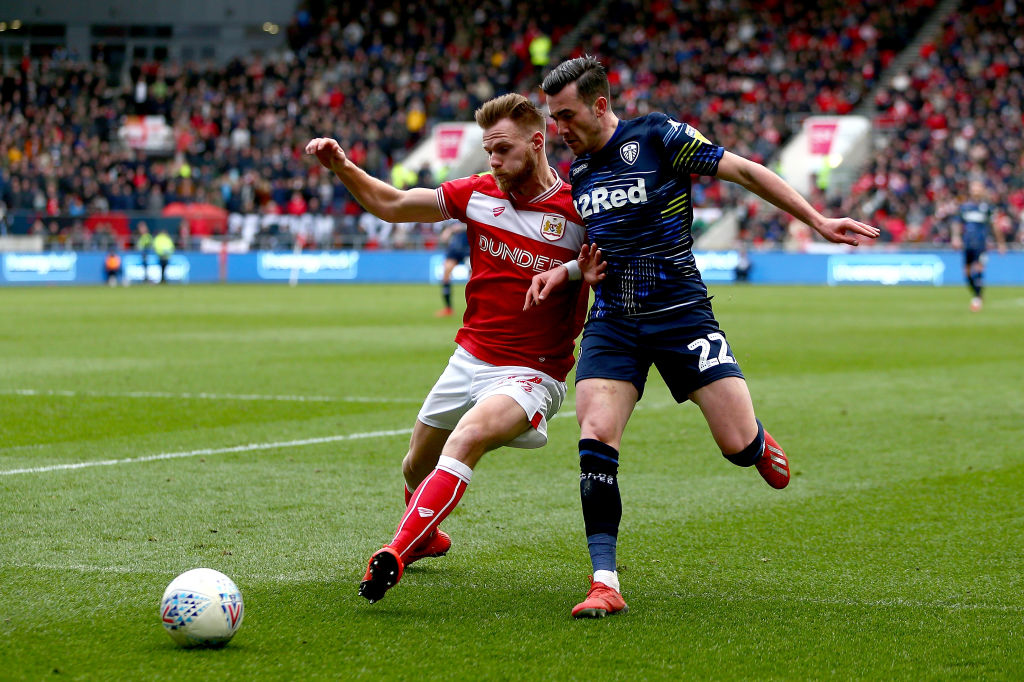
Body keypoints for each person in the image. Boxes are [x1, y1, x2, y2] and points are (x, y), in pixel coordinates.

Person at [528, 56, 880, 618]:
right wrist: (570, 272)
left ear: (599, 105)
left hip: (681, 313)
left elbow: (744, 171)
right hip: (614, 319)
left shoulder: (658, 136)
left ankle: (757, 442)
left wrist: (816, 220)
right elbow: (600, 252)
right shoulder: (580, 173)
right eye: (553, 118)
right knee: (595, 433)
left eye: (565, 116)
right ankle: (604, 581)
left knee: (737, 446)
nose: (557, 130)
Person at [305, 93, 604, 604]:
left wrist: (578, 270)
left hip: (533, 371)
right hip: (469, 358)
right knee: (413, 467)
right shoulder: (477, 193)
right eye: (488, 150)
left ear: (537, 143)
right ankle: (430, 537)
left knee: (464, 439)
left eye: (502, 149)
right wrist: (342, 165)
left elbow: (619, 259)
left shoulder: (579, 208)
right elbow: (393, 205)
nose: (492, 160)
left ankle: (394, 553)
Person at [951, 181, 1006, 312]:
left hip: (981, 245)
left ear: (982, 190)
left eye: (978, 188)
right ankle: (978, 294)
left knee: (979, 269)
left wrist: (1001, 243)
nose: (976, 190)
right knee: (967, 274)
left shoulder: (987, 208)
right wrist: (956, 237)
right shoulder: (964, 207)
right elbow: (956, 223)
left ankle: (977, 299)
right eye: (973, 188)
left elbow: (995, 226)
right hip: (967, 244)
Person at [435, 219, 470, 316]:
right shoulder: (450, 216)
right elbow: (444, 234)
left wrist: (461, 228)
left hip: (469, 246)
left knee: (472, 278)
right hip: (455, 248)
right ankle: (448, 308)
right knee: (445, 274)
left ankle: (476, 308)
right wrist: (448, 231)